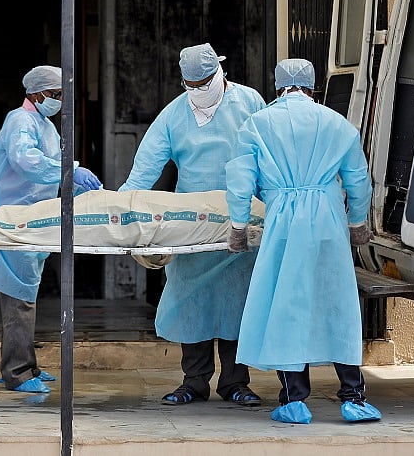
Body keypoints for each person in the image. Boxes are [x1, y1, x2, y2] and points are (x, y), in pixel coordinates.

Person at [225, 58, 382, 424]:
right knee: (338, 303)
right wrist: (357, 223)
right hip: (328, 220)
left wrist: (237, 224)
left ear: (277, 86)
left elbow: (240, 178)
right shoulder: (337, 123)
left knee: (287, 306)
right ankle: (353, 397)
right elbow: (358, 179)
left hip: (282, 223)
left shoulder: (257, 124)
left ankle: (294, 399)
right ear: (313, 87)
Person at [119, 43, 265, 406]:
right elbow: (144, 169)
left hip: (239, 220)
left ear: (221, 71)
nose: (199, 90)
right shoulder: (173, 116)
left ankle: (235, 382)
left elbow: (271, 157)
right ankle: (194, 381)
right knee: (192, 303)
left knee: (238, 303)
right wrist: (119, 208)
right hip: (192, 223)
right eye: (192, 85)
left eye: (205, 82)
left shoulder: (250, 103)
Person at [0, 65, 102, 394]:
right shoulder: (20, 121)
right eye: (56, 94)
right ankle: (17, 372)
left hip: (32, 221)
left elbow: (54, 169)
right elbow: (27, 161)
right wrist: (72, 169)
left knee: (24, 297)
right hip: (14, 221)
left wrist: (81, 187)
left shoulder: (44, 124)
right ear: (36, 93)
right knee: (18, 300)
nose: (61, 100)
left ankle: (26, 364)